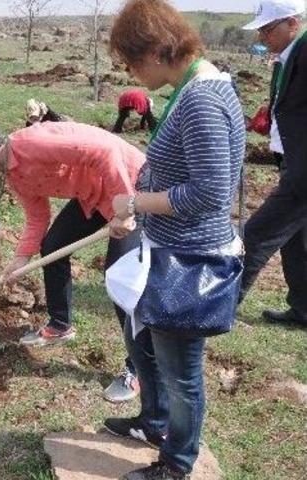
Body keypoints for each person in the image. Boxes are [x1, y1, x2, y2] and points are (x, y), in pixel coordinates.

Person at [106, 1, 245, 479]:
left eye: (130, 61)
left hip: (190, 259)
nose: (129, 72)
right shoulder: (193, 90)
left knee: (182, 373)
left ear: (158, 50)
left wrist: (137, 204)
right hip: (167, 247)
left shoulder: (202, 99)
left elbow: (210, 192)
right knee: (141, 334)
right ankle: (154, 421)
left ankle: (176, 463)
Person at [0, 116, 146, 403]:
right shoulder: (13, 173)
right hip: (93, 194)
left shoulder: (33, 144)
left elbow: (105, 152)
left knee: (120, 276)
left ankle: (140, 369)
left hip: (131, 185)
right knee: (52, 246)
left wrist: (124, 208)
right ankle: (61, 325)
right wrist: (20, 258)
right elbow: (37, 217)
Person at [240, 0, 307, 327]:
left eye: (268, 28)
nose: (263, 36)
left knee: (255, 235)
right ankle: (303, 310)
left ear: (292, 24)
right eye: (261, 30)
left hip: (303, 174)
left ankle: (219, 307)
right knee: (297, 243)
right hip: (290, 161)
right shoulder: (284, 59)